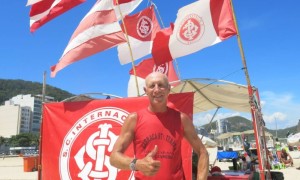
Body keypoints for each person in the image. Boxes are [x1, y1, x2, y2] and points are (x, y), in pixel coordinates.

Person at [110, 72, 209, 180]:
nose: (157, 90)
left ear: (168, 89)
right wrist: (137, 164)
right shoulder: (134, 119)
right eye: (152, 86)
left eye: (161, 85)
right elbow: (114, 157)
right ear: (145, 91)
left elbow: (202, 152)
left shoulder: (181, 119)